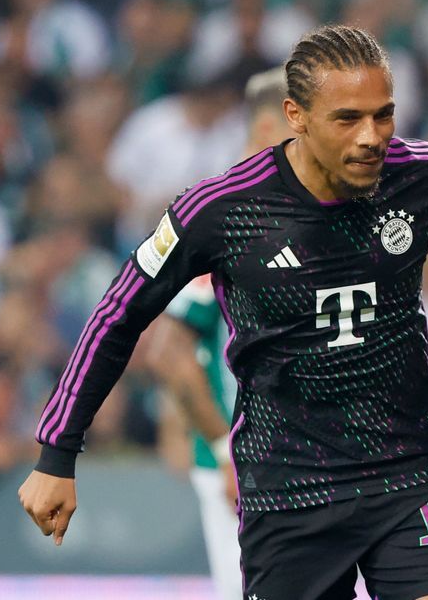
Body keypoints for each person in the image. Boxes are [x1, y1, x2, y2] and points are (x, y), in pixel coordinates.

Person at [18, 24, 428, 600]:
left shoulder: (424, 176)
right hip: (288, 488)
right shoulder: (220, 209)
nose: (372, 136)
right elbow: (119, 313)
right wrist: (57, 451)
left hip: (411, 474)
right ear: (295, 115)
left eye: (384, 114)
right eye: (348, 118)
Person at [139, 66, 291, 600]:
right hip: (246, 466)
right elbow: (170, 350)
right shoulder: (228, 216)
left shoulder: (291, 209)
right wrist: (227, 454)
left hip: (305, 456)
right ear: (275, 124)